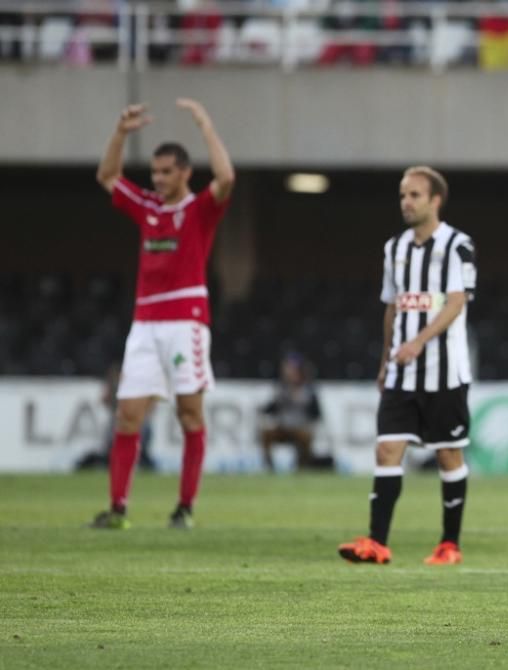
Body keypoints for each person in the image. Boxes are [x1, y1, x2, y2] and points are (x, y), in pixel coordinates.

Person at [90, 98, 235, 530]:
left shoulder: (199, 210)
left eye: (166, 171)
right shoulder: (149, 208)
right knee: (128, 415)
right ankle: (118, 509)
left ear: (185, 173)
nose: (158, 178)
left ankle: (185, 507)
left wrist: (206, 124)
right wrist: (120, 131)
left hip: (185, 322)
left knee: (189, 414)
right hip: (145, 325)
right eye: (154, 172)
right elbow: (107, 176)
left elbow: (226, 177)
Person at [338, 166, 476, 566]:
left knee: (448, 456)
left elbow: (456, 302)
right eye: (402, 195)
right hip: (401, 371)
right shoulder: (394, 249)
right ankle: (377, 542)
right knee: (387, 449)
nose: (406, 202)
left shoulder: (458, 245)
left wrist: (418, 341)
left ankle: (449, 544)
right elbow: (392, 307)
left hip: (444, 372)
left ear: (435, 201)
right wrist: (386, 360)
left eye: (414, 195)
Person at [75, 363, 156, 472]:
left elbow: (104, 400)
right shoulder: (124, 385)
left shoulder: (135, 386)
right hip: (124, 421)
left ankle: (133, 462)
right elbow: (104, 400)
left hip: (130, 422)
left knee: (131, 445)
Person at [259, 352, 331, 472]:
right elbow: (272, 408)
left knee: (306, 437)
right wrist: (263, 410)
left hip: (300, 428)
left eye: (291, 369)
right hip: (282, 427)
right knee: (266, 434)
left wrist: (309, 422)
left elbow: (316, 413)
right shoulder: (282, 388)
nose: (289, 372)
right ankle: (269, 466)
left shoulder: (308, 390)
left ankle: (301, 466)